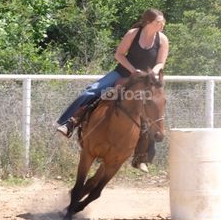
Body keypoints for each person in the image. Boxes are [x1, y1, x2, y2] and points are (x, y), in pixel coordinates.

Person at [55, 9, 168, 141]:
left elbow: (160, 62)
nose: (162, 25)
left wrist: (153, 72)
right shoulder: (133, 34)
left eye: (163, 22)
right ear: (148, 22)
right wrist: (132, 70)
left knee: (156, 103)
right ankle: (69, 123)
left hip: (145, 80)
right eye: (159, 22)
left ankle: (145, 153)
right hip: (122, 73)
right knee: (90, 92)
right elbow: (118, 55)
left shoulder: (163, 39)